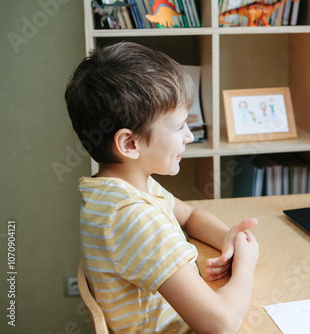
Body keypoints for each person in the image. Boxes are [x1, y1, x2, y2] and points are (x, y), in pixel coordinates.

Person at [65, 42, 259, 334]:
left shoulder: (119, 188)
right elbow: (220, 323)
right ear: (130, 144)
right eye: (180, 126)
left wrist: (228, 239)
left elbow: (189, 216)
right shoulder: (133, 217)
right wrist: (245, 265)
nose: (189, 136)